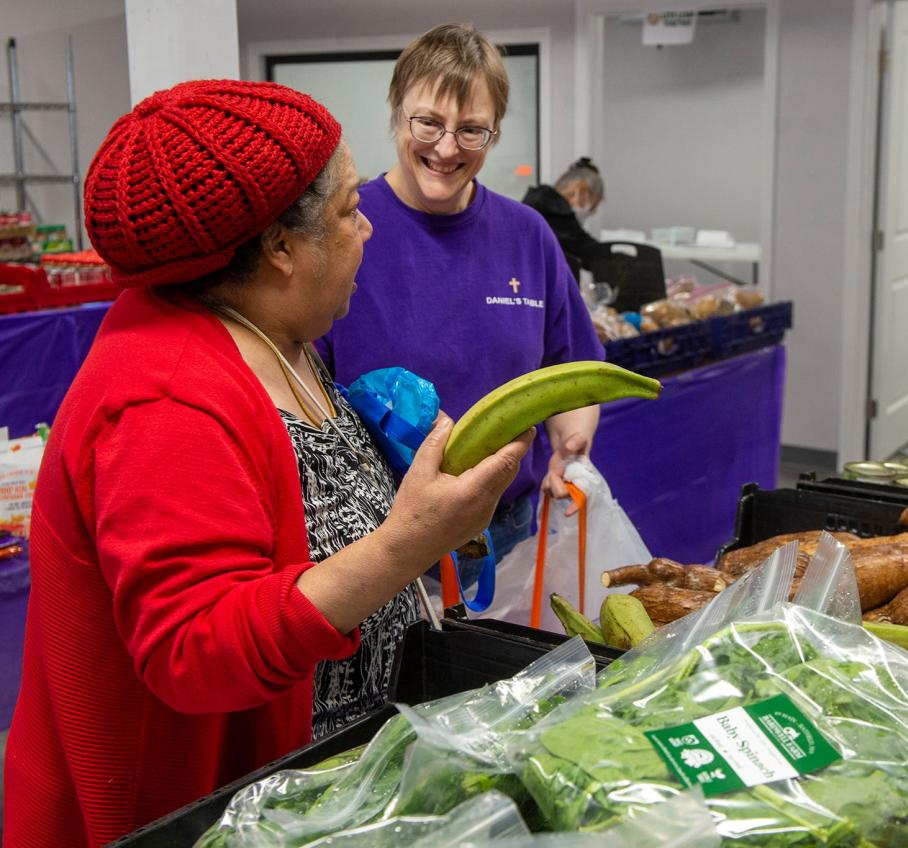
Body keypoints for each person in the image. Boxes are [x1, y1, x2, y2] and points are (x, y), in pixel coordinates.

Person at [2, 80, 531, 848]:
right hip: (204, 815)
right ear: (280, 248)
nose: (369, 229)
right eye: (351, 210)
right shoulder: (163, 400)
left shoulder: (275, 333)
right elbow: (196, 648)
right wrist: (405, 544)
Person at [320, 23, 605, 584]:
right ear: (397, 111)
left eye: (472, 130)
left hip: (509, 531)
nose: (447, 149)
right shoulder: (344, 231)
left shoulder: (528, 235)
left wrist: (571, 447)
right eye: (428, 122)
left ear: (494, 133)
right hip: (378, 541)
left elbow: (572, 373)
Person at [522, 157, 606, 271]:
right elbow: (592, 254)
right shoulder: (559, 217)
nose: (593, 212)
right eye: (593, 205)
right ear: (580, 191)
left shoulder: (532, 206)